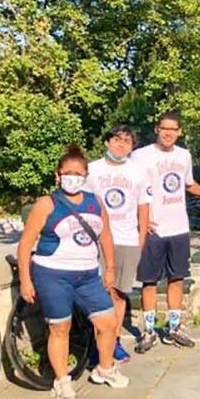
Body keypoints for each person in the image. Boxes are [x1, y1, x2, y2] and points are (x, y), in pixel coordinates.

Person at [17, 145, 129, 399]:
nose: (73, 178)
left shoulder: (95, 202)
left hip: (87, 275)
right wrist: (25, 279)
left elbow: (106, 236)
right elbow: (25, 243)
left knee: (108, 322)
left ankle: (105, 368)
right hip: (53, 274)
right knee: (60, 328)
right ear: (57, 175)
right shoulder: (47, 204)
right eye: (68, 173)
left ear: (86, 176)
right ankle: (62, 381)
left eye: (79, 174)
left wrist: (110, 268)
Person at [130, 111, 200, 351]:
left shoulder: (184, 155)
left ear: (179, 132)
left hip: (178, 227)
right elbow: (130, 187)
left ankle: (174, 328)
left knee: (177, 278)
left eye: (173, 129)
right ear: (157, 129)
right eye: (164, 128)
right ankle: (149, 330)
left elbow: (189, 184)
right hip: (153, 229)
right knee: (149, 281)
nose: (168, 133)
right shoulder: (140, 156)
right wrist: (140, 219)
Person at [85, 124, 149, 362]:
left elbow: (144, 207)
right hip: (96, 240)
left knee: (119, 294)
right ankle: (97, 344)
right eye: (117, 139)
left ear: (132, 147)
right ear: (107, 142)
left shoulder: (138, 172)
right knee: (99, 295)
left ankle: (114, 341)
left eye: (127, 141)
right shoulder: (92, 170)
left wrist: (140, 241)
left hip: (127, 239)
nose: (121, 145)